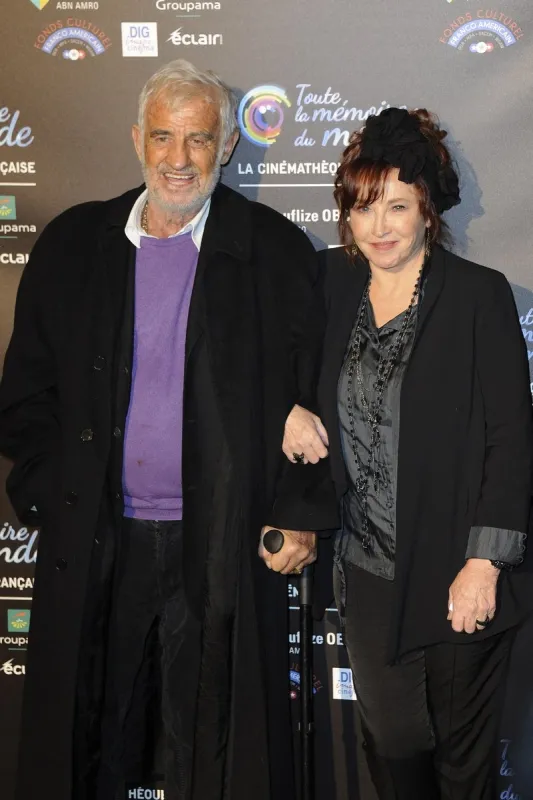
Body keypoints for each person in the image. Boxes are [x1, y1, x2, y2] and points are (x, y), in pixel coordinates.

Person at [0, 59, 338, 800]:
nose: (178, 158)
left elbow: (314, 396)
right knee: (97, 733)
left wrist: (298, 512)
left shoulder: (274, 250)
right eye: (163, 136)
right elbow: (26, 397)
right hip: (102, 539)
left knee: (208, 741)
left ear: (227, 146)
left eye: (198, 139)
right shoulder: (72, 245)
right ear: (136, 140)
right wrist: (56, 497)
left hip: (219, 545)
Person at [283, 107, 533, 799]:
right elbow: (260, 355)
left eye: (396, 206)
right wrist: (285, 410)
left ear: (427, 209)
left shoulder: (478, 295)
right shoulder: (328, 283)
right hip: (367, 566)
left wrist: (484, 563)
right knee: (393, 748)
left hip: (458, 564)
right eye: (363, 208)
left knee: (460, 763)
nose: (379, 226)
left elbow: (511, 438)